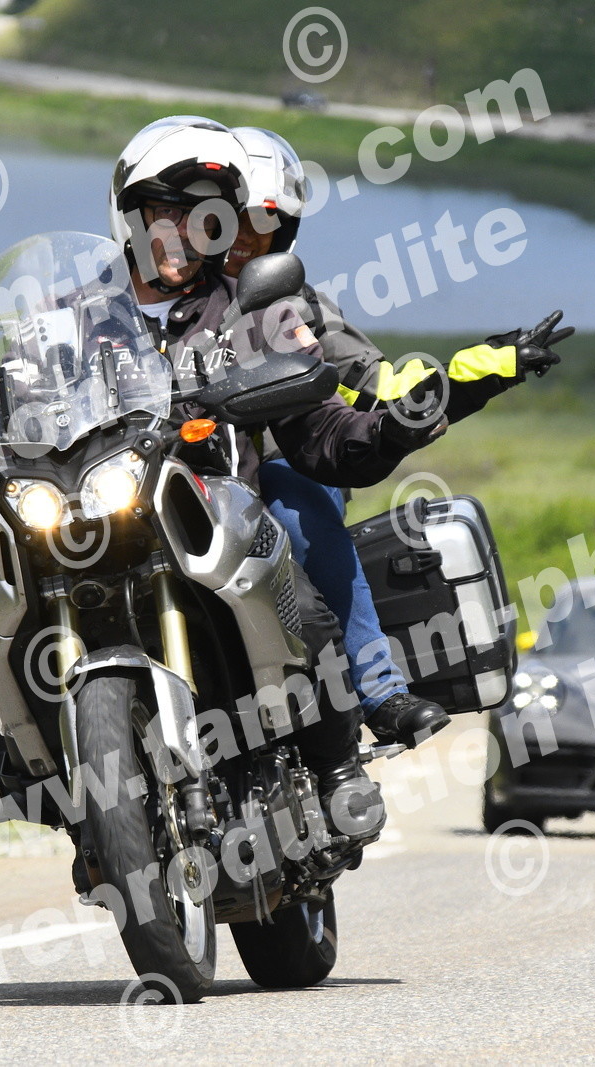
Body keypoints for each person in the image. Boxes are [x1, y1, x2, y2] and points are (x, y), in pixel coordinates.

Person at [108, 115, 450, 835]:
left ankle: (338, 765)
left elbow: (320, 426)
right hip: (107, 517)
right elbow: (3, 396)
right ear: (129, 215)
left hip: (221, 513)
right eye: (166, 214)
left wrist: (387, 429)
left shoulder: (255, 312)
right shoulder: (72, 317)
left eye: (206, 217)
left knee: (302, 596)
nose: (186, 233)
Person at [224, 124, 574, 747]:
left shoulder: (294, 308)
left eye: (264, 226)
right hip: (155, 472)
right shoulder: (136, 299)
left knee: (298, 502)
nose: (247, 239)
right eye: (233, 222)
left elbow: (380, 386)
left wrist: (481, 371)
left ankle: (378, 690)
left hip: (275, 465)